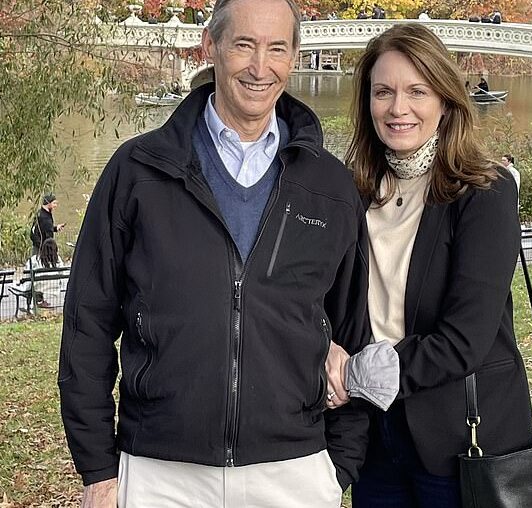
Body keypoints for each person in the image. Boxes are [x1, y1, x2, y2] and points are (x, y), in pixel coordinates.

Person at [58, 1, 371, 507]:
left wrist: (337, 468)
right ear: (211, 46)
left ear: (294, 57)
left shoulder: (330, 188)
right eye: (244, 44)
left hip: (293, 472)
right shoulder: (138, 171)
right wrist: (97, 466)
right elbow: (87, 323)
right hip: (161, 471)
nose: (259, 67)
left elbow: (355, 332)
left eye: (276, 49)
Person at [337, 23, 532, 506]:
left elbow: (465, 338)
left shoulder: (484, 194)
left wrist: (358, 373)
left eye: (416, 91)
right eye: (383, 92)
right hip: (375, 438)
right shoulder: (351, 191)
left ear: (445, 100)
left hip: (463, 443)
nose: (397, 108)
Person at [13, 238, 65, 308]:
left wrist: (21, 281)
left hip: (37, 286)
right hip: (54, 286)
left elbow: (27, 273)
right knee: (40, 282)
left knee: (21, 277)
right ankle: (40, 301)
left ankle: (34, 304)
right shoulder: (58, 260)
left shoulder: (35, 259)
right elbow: (62, 273)